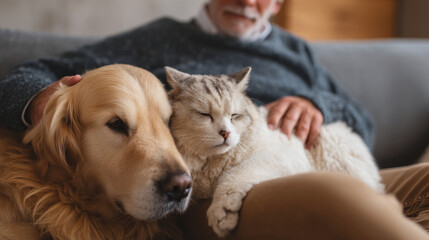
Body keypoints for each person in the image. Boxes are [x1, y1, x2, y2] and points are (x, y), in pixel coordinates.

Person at [0, 0, 428, 238]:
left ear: (278, 3)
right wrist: (43, 101)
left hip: (321, 160)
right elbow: (26, 75)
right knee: (339, 199)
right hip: (233, 184)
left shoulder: (298, 52)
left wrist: (318, 105)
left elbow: (363, 122)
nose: (245, 0)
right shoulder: (157, 40)